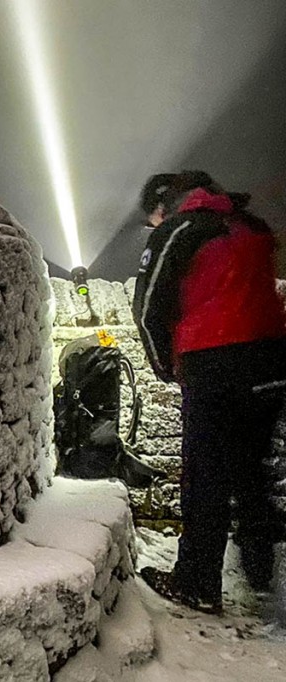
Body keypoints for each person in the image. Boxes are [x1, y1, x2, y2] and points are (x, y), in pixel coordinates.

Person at [132, 170, 286, 614]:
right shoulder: (251, 226)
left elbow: (148, 305)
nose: (152, 226)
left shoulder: (180, 229)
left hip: (214, 362)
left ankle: (198, 583)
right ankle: (261, 572)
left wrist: (164, 366)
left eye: (151, 218)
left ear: (165, 206)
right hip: (271, 360)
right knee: (251, 468)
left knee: (204, 478)